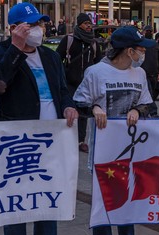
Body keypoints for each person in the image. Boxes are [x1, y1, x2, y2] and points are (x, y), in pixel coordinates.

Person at [0, 2, 78, 235]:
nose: (40, 29)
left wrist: (69, 106)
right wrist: (16, 49)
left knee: (46, 203)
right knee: (15, 207)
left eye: (40, 23)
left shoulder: (49, 56)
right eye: (32, 25)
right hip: (16, 143)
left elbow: (62, 90)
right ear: (14, 28)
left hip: (50, 143)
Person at [73, 26, 155, 235]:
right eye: (140, 49)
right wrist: (94, 107)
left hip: (132, 154)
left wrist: (138, 110)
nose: (143, 54)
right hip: (103, 156)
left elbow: (147, 104)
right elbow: (78, 102)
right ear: (129, 51)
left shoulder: (139, 75)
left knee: (128, 207)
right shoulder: (96, 72)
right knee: (103, 209)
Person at [56, 13, 102, 153]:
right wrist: (63, 74)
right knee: (68, 109)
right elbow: (58, 58)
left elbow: (98, 63)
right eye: (86, 23)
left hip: (86, 84)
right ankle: (65, 138)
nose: (89, 26)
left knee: (83, 113)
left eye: (90, 23)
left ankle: (81, 140)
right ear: (79, 24)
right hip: (69, 82)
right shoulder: (69, 40)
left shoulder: (93, 43)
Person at [141, 25, 159, 117]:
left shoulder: (155, 44)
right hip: (144, 73)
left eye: (150, 31)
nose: (149, 32)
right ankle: (153, 112)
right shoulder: (141, 43)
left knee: (151, 94)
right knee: (148, 93)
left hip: (154, 72)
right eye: (147, 31)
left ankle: (147, 109)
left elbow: (158, 58)